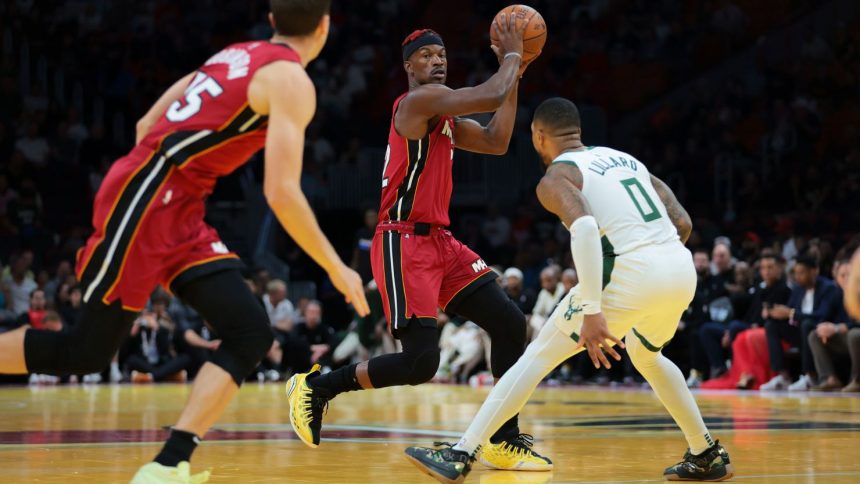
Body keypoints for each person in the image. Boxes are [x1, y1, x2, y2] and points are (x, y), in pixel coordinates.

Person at [0, 1, 369, 483]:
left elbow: (142, 127)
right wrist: (336, 267)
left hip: (176, 201)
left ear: (273, 21)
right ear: (324, 27)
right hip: (149, 198)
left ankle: (168, 464)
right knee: (84, 352)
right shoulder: (293, 81)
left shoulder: (234, 54)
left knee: (250, 331)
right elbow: (279, 191)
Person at [405, 98, 733, 483]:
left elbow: (587, 229)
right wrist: (655, 262)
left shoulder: (556, 178)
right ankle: (705, 451)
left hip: (630, 272)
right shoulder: (625, 159)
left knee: (533, 360)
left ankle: (462, 453)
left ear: (538, 136)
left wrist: (594, 308)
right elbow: (681, 221)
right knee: (647, 356)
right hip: (679, 266)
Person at [287, 16, 552, 471]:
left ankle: (503, 438)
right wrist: (511, 56)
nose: (438, 62)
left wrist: (518, 74)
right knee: (421, 363)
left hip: (442, 243)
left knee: (510, 324)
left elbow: (497, 139)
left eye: (443, 56)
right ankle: (317, 388)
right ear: (410, 67)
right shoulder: (417, 102)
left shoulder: (443, 118)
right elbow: (487, 94)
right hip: (402, 241)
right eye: (427, 56)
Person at [759, 254, 840, 391]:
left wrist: (791, 313)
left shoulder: (828, 288)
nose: (797, 277)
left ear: (814, 271)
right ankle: (783, 376)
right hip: (800, 332)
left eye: (801, 272)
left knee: (807, 324)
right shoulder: (797, 289)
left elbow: (821, 316)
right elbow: (789, 311)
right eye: (795, 273)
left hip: (821, 331)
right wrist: (775, 313)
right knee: (771, 325)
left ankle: (810, 376)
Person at [808, 255, 860, 391]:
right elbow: (821, 316)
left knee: (854, 334)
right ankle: (829, 378)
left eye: (850, 274)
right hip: (845, 340)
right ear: (836, 279)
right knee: (815, 335)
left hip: (856, 337)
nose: (847, 278)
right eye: (842, 275)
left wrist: (840, 327)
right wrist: (824, 327)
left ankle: (857, 380)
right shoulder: (834, 294)